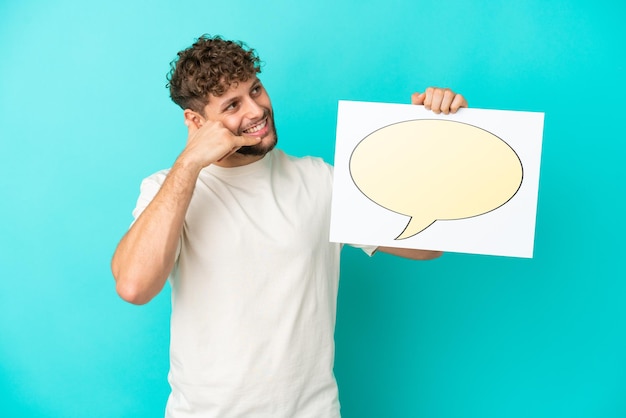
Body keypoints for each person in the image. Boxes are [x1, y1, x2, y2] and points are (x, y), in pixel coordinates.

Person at [111, 35, 467, 418]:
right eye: (233, 105)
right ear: (196, 122)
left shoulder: (320, 181)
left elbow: (428, 245)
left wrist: (438, 133)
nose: (256, 110)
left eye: (256, 90)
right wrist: (188, 164)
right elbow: (134, 286)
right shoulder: (167, 189)